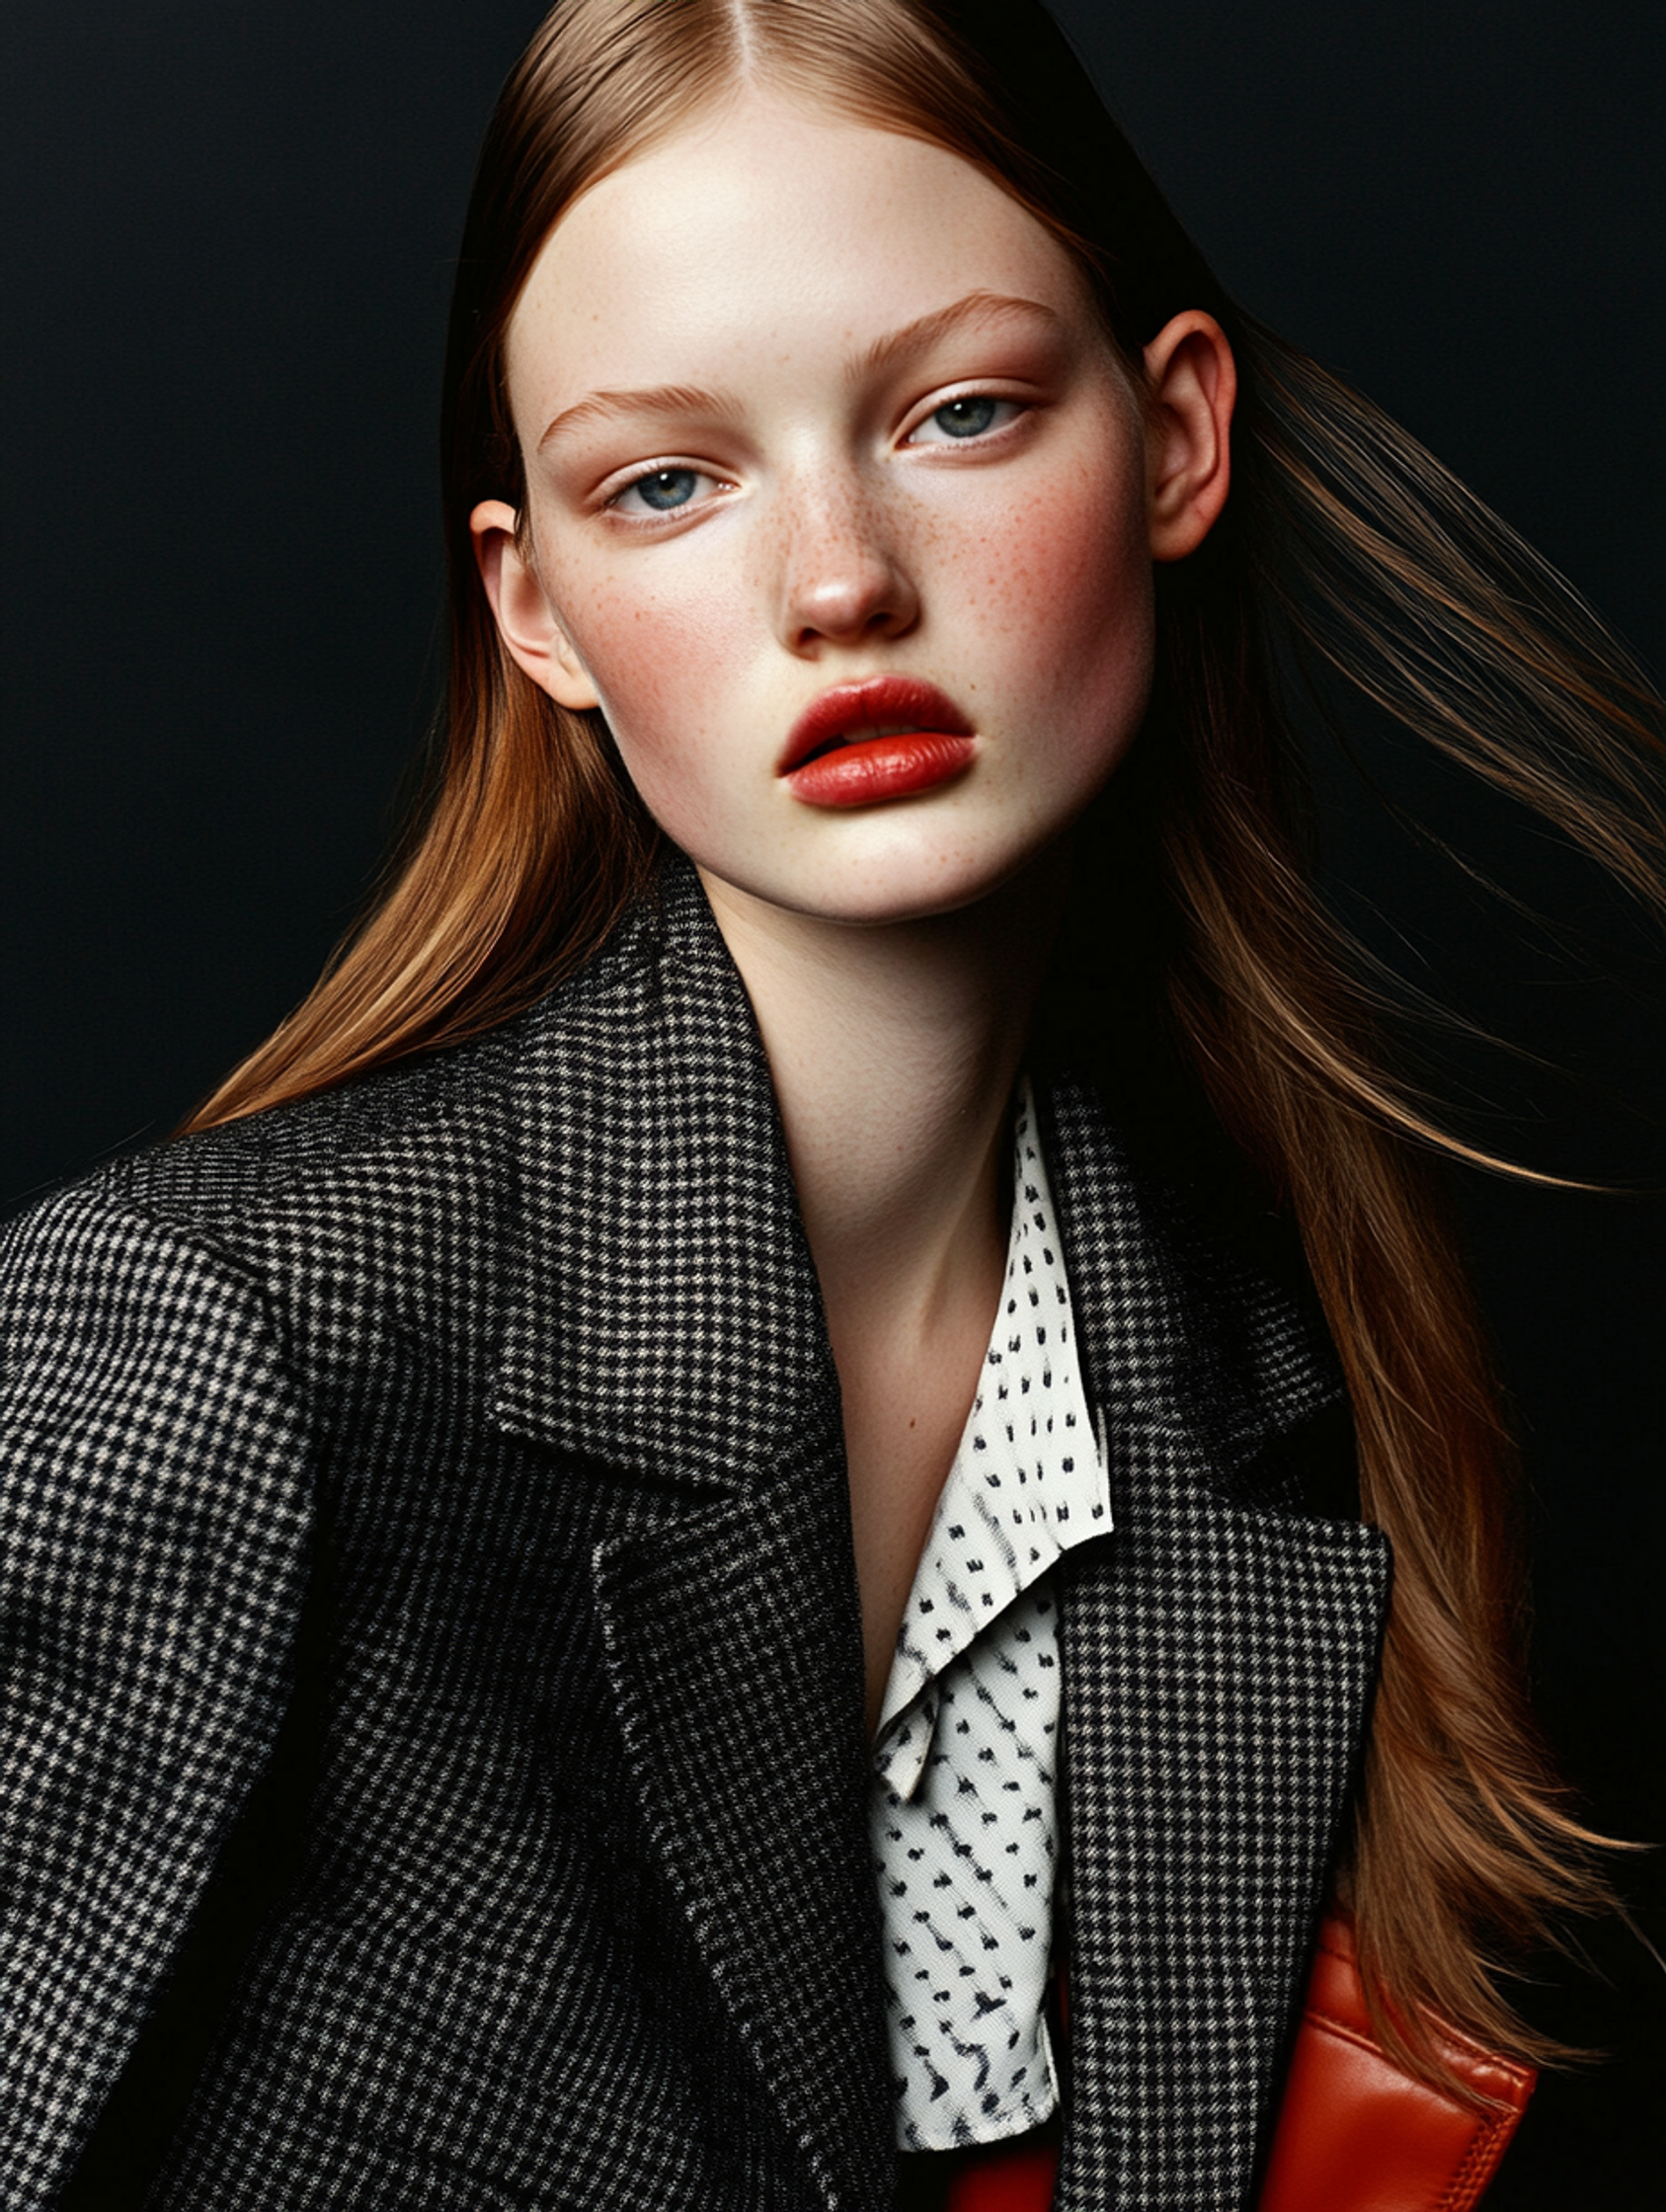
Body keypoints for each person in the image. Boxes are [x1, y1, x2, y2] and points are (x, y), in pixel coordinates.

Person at [3, 3, 1659, 2207]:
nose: (838, 580)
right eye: (666, 482)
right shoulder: (209, 1343)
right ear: (537, 609)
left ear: (1175, 438)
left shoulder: (1271, 1380)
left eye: (960, 412)